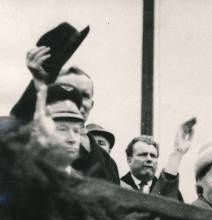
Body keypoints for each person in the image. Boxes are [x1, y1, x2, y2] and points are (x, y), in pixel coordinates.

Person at [22, 42, 119, 184]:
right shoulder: (36, 148)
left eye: (84, 95)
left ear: (92, 103)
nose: (77, 101)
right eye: (69, 93)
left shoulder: (107, 161)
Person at [121, 117, 195, 201]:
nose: (149, 159)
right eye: (143, 155)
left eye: (153, 156)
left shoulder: (173, 191)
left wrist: (178, 151)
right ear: (129, 161)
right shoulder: (118, 186)